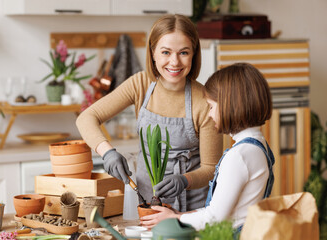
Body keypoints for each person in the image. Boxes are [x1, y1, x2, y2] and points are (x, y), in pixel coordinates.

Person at [76, 14, 223, 212]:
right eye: (165, 52)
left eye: (184, 53)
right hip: (146, 205)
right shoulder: (141, 84)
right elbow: (86, 118)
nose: (174, 62)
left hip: (191, 212)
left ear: (194, 54)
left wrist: (184, 180)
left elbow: (211, 168)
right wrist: (107, 152)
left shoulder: (205, 101)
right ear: (153, 52)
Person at [140, 63, 275, 232]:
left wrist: (175, 218)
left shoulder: (239, 155)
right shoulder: (258, 146)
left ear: (230, 105)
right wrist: (179, 215)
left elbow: (214, 219)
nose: (209, 114)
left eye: (211, 106)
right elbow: (225, 211)